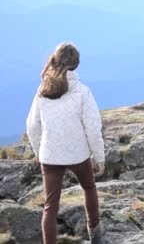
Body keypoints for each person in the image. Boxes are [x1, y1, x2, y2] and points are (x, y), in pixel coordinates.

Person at [26, 42, 106, 244]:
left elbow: (32, 125)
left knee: (50, 205)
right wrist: (99, 158)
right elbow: (92, 128)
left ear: (55, 60)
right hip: (78, 154)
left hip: (50, 154)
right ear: (76, 64)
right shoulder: (83, 92)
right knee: (89, 186)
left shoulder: (43, 89)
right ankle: (94, 232)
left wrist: (38, 151)